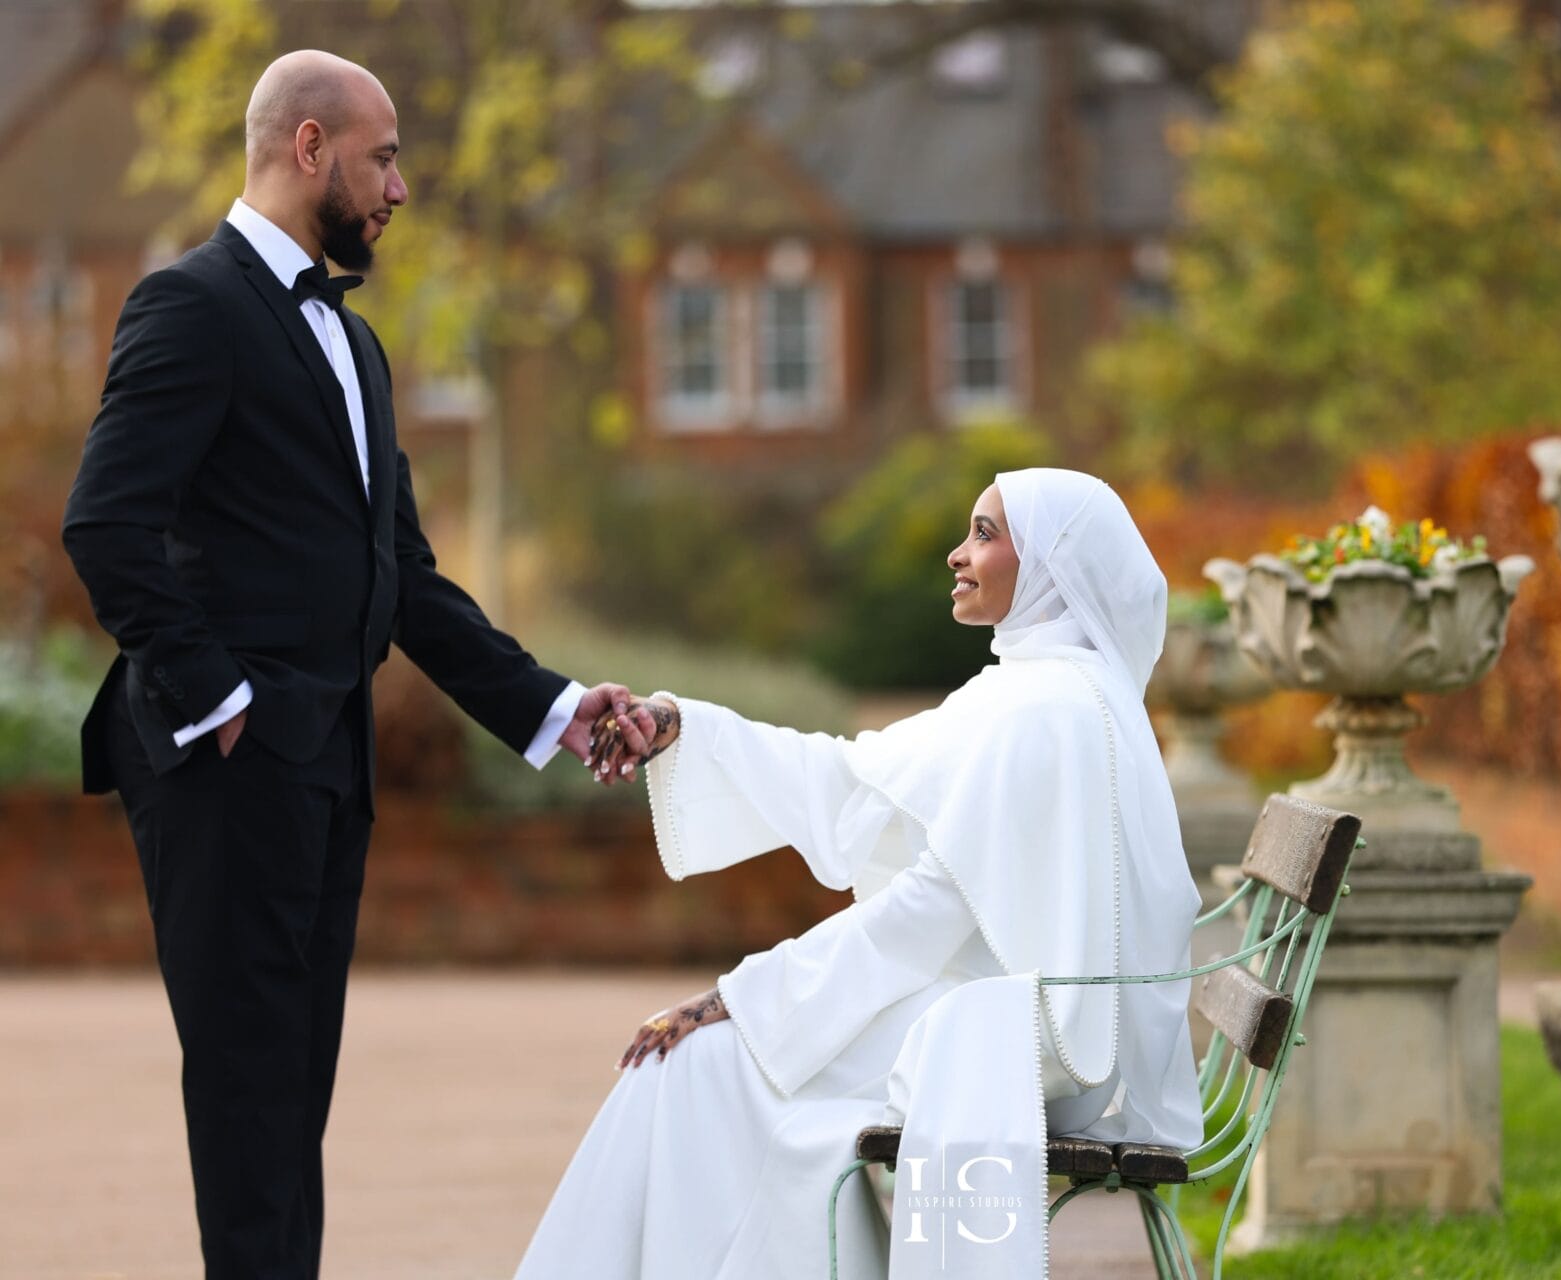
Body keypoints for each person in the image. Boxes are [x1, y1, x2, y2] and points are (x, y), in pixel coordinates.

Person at [61, 50, 638, 1280]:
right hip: (227, 769)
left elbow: (407, 580)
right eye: (383, 158)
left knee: (289, 1096)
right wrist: (222, 698)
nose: (403, 187)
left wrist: (552, 708)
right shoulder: (190, 304)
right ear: (308, 148)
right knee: (250, 1095)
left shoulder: (358, 347)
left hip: (325, 768)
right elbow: (106, 523)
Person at [515, 468, 1204, 1279]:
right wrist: (680, 727)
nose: (957, 553)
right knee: (712, 1069)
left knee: (700, 1066)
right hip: (1000, 1010)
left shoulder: (1045, 709)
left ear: (1054, 563)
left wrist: (742, 995)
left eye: (985, 533)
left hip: (1011, 1033)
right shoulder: (1037, 689)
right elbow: (856, 778)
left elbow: (931, 909)